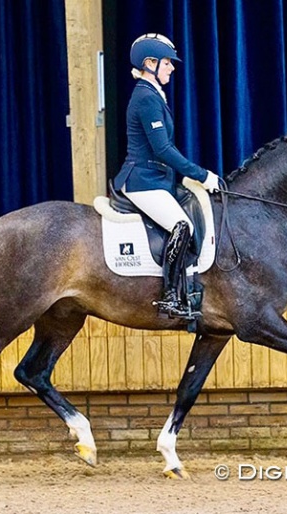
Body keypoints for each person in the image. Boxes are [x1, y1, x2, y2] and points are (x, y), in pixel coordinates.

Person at [113, 33, 220, 320]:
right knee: (181, 225)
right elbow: (162, 149)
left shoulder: (154, 94)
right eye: (167, 63)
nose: (172, 68)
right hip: (142, 181)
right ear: (149, 63)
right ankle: (170, 296)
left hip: (157, 180)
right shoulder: (145, 97)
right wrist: (201, 174)